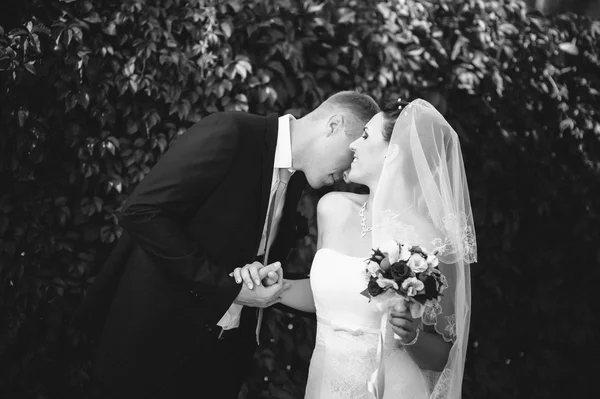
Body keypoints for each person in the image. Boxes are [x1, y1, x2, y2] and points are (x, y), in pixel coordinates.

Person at [73, 91, 380, 399]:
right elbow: (143, 212)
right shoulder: (231, 132)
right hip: (152, 347)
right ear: (333, 125)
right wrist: (226, 287)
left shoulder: (298, 178)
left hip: (220, 361)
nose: (347, 174)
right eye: (351, 154)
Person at [233, 99, 477, 398]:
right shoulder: (333, 208)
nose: (352, 146)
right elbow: (328, 295)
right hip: (325, 382)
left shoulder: (434, 243)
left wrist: (412, 336)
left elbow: (442, 355)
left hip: (392, 387)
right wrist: (280, 287)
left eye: (365, 136)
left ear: (393, 151)